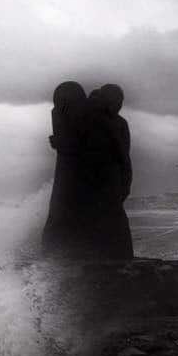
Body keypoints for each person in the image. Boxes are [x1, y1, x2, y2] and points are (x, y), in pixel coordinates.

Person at [73, 84, 134, 259]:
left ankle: (117, 256)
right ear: (107, 100)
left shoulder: (119, 123)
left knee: (113, 219)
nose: (119, 105)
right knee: (102, 220)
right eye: (117, 101)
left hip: (111, 178)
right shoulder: (93, 119)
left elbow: (124, 155)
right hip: (97, 178)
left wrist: (125, 182)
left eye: (121, 102)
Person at [41, 81, 86, 256]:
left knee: (61, 213)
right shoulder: (64, 113)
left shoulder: (63, 113)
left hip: (71, 172)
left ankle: (55, 250)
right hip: (71, 171)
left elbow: (75, 143)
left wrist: (61, 142)